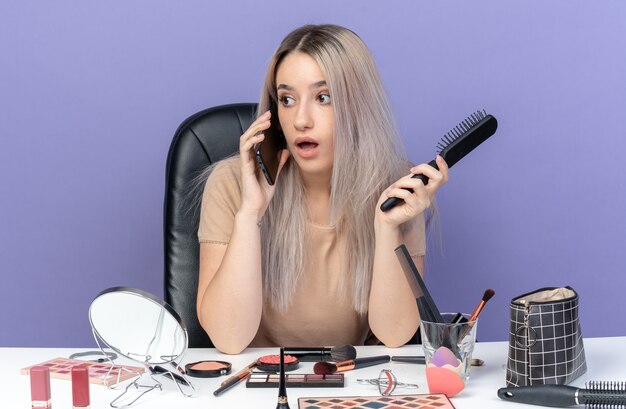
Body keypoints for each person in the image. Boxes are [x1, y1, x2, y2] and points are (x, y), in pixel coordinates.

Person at [196, 24, 448, 354]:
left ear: (359, 106)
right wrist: (249, 214)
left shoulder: (397, 187)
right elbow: (228, 338)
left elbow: (395, 334)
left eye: (323, 98)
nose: (301, 120)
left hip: (349, 379)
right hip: (255, 381)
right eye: (287, 99)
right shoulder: (231, 184)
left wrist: (388, 227)